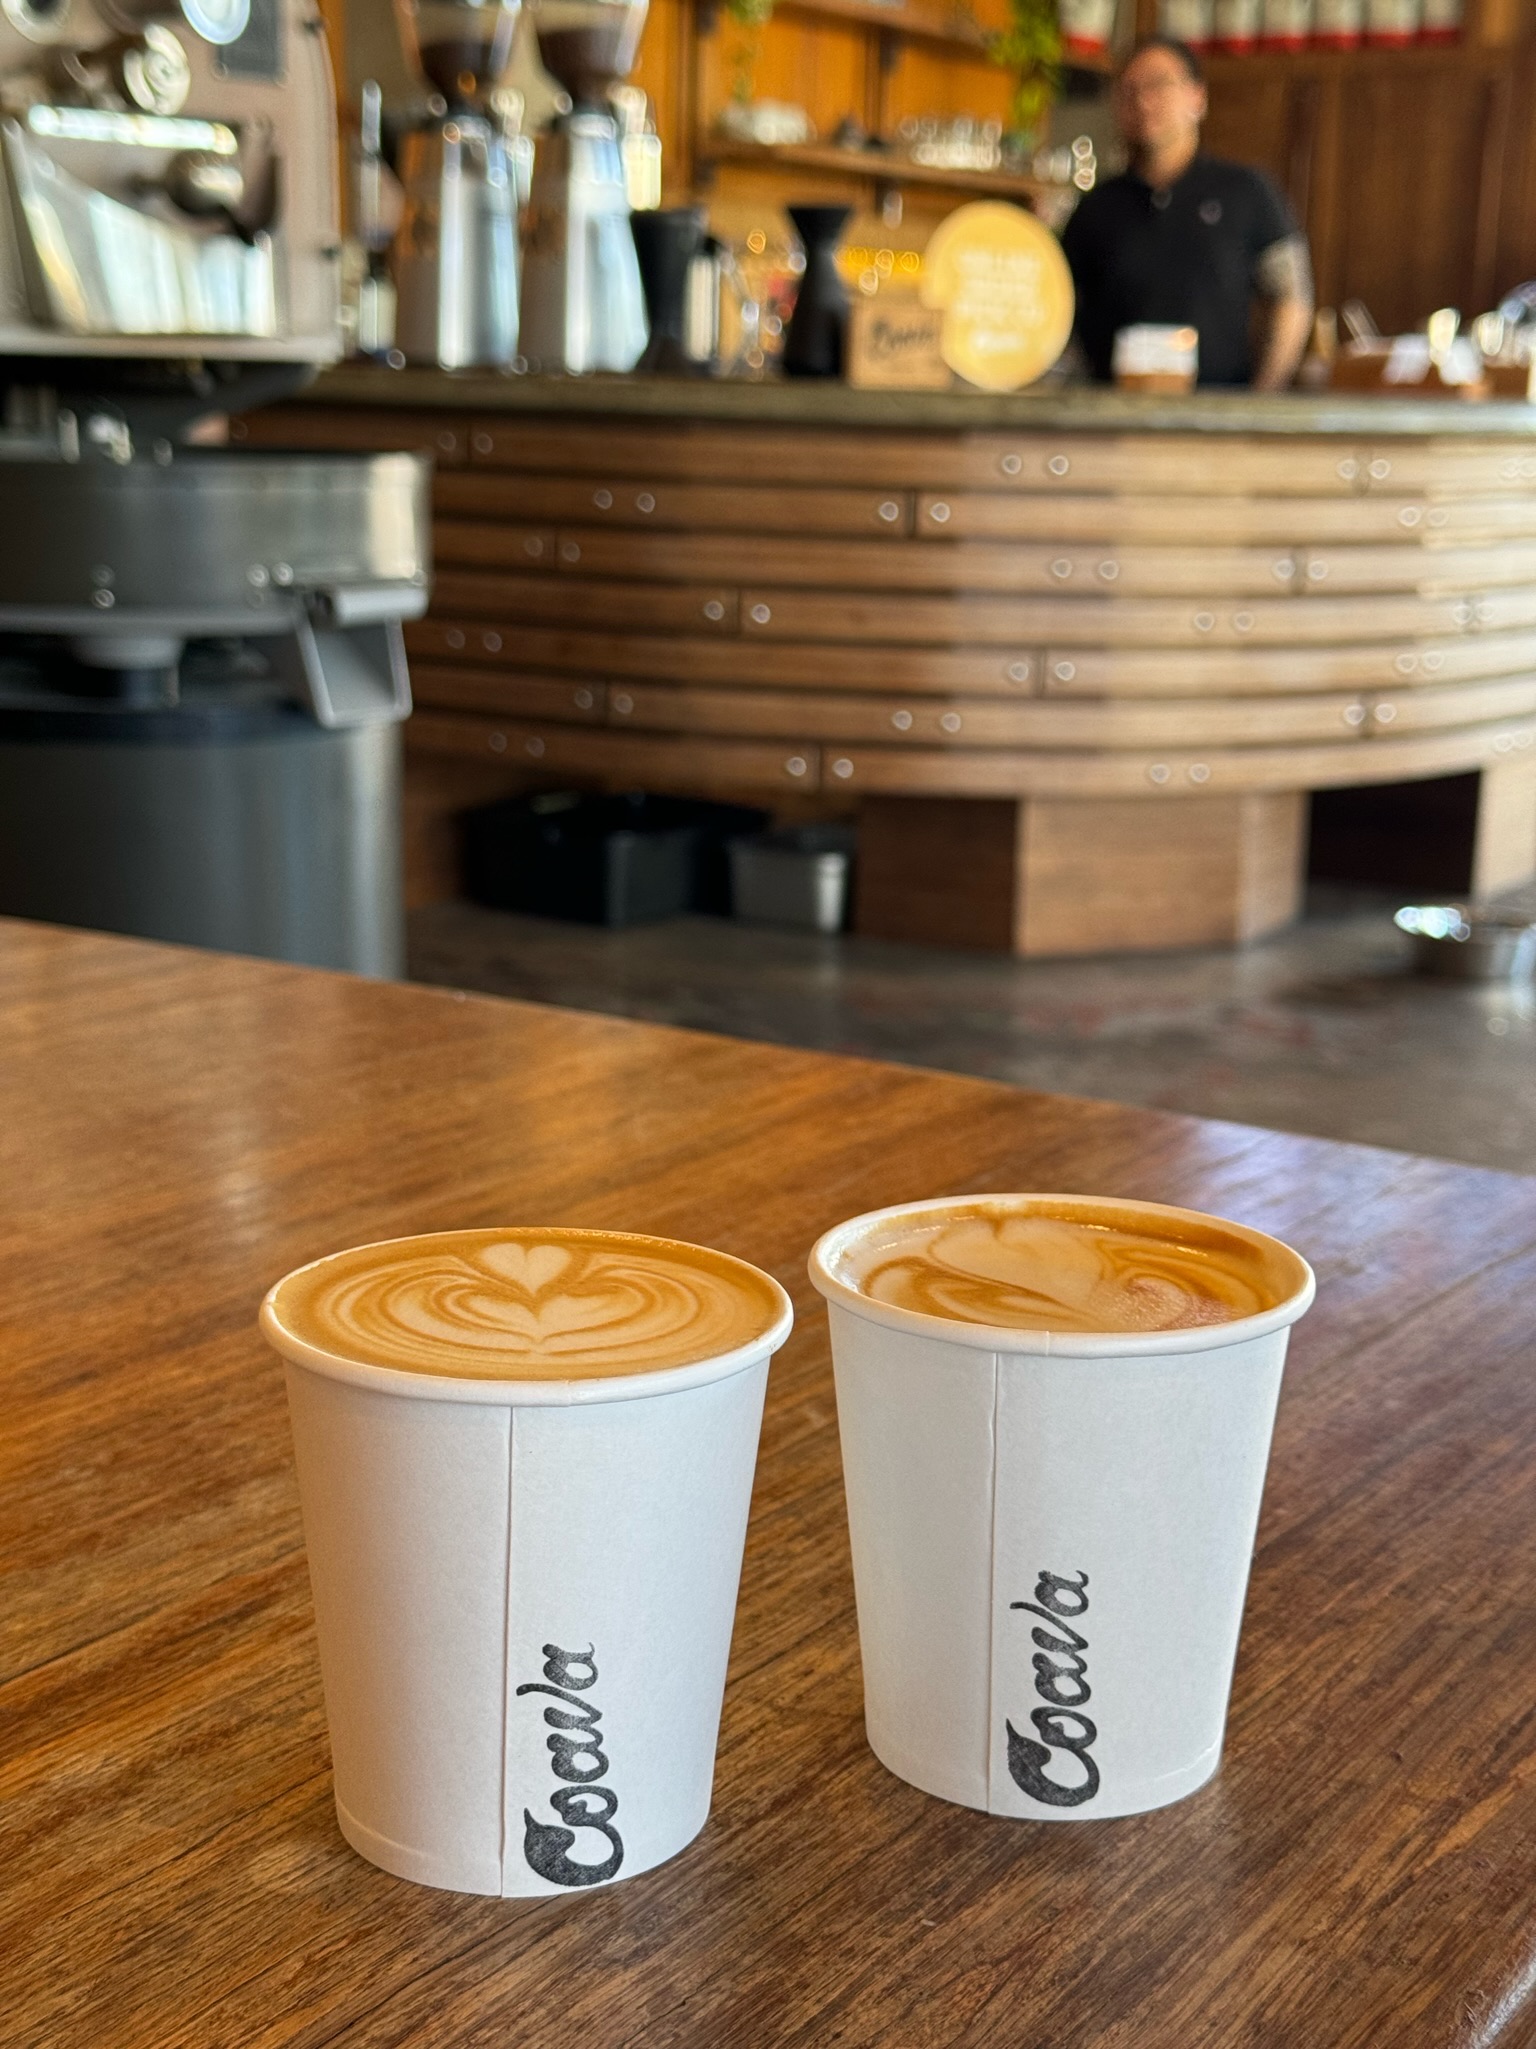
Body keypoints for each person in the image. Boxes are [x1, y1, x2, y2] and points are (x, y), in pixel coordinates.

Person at [1061, 36, 1314, 390]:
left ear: (1197, 97)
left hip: (1217, 409)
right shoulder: (1095, 207)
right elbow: (1058, 306)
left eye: (1157, 85)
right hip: (1112, 412)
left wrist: (1264, 395)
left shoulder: (1247, 192)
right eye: (1129, 90)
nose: (1143, 101)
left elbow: (1292, 296)